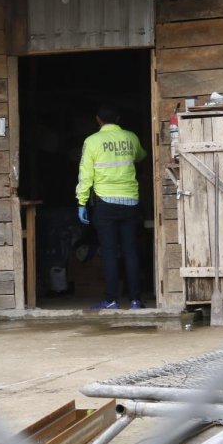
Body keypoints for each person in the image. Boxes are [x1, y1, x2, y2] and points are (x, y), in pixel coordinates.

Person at [76, 103, 148, 309]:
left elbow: (86, 174)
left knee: (108, 252)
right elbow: (141, 156)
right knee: (130, 251)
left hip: (105, 203)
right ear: (118, 119)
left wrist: (81, 201)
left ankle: (111, 300)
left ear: (98, 120)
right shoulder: (131, 137)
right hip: (130, 202)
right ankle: (135, 300)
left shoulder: (92, 141)